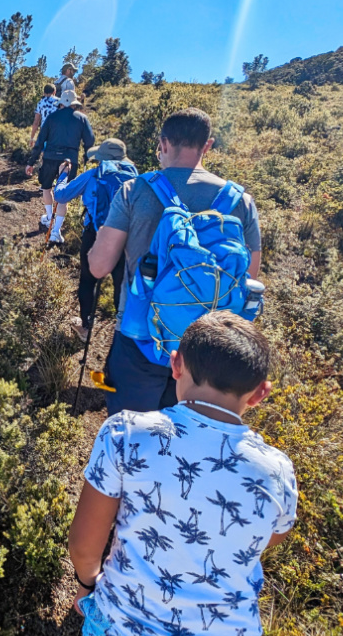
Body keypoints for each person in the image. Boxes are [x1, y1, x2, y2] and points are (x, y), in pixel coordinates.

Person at [68, 312, 297, 636]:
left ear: (175, 365)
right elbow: (270, 538)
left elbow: (84, 546)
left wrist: (91, 584)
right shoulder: (277, 471)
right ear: (260, 393)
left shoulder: (125, 434)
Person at [88, 108, 260, 415]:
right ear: (207, 146)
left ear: (164, 144)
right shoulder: (241, 202)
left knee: (131, 431)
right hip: (207, 351)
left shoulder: (134, 190)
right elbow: (247, 277)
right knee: (183, 438)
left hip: (140, 339)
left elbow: (98, 267)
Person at [51, 138, 137, 342]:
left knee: (88, 281)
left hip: (95, 234)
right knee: (121, 283)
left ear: (102, 158)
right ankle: (122, 329)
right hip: (125, 236)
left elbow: (60, 196)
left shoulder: (92, 175)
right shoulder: (136, 178)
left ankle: (86, 326)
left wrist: (63, 174)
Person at [25, 91, 95, 243]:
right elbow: (90, 140)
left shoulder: (51, 117)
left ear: (62, 103)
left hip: (50, 158)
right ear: (75, 103)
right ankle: (56, 231)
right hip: (70, 160)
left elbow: (40, 141)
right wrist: (86, 157)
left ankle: (49, 217)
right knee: (64, 195)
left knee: (46, 188)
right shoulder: (82, 118)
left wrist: (31, 162)